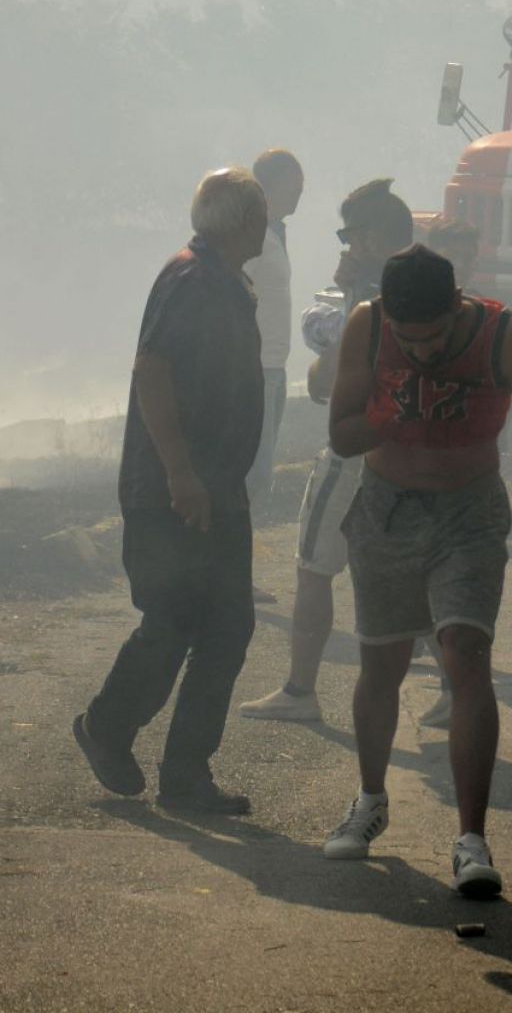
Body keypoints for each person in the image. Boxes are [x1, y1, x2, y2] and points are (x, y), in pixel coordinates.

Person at [319, 245, 512, 900]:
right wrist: (388, 414)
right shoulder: (368, 327)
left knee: (465, 653)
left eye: (433, 337)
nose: (423, 351)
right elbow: (340, 434)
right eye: (410, 339)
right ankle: (370, 799)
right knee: (383, 665)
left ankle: (471, 840)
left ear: (457, 307)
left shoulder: (503, 336)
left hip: (469, 513)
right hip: (386, 509)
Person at [72, 168, 268, 815]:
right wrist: (181, 473)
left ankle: (186, 775)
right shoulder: (192, 279)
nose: (266, 223)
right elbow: (151, 371)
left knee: (227, 624)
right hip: (174, 490)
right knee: (176, 618)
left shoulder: (223, 280)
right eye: (260, 212)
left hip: (215, 487)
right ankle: (106, 727)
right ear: (237, 220)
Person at [239, 180, 429, 724]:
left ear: (370, 238)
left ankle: (300, 691)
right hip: (414, 450)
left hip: (355, 447)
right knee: (413, 573)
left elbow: (326, 380)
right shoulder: (431, 283)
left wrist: (345, 307)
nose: (344, 248)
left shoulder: (372, 297)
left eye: (349, 236)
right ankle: (457, 688)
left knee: (314, 567)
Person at [243, 149, 303, 566]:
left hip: (273, 367)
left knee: (259, 475)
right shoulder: (253, 236)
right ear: (269, 186)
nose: (299, 193)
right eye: (293, 185)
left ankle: (235, 571)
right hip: (255, 367)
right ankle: (230, 574)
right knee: (250, 475)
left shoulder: (275, 233)